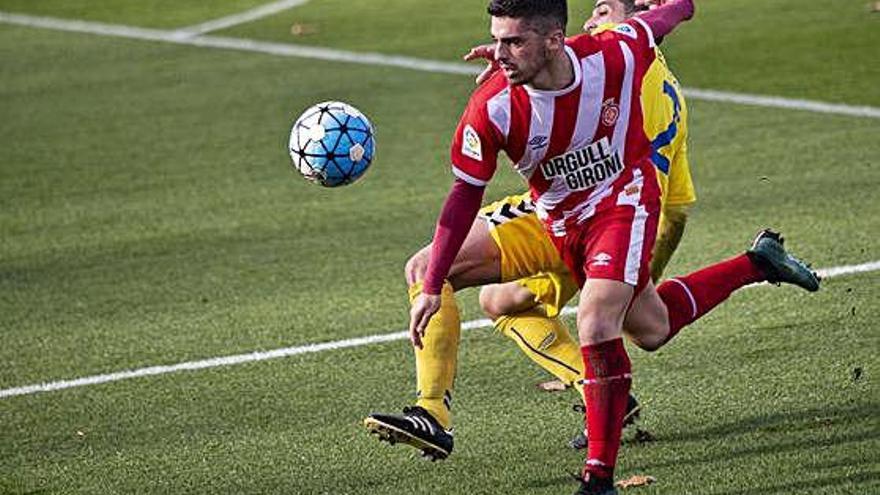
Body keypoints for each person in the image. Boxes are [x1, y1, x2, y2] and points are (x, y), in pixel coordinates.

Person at [366, 1, 819, 493]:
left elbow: (658, 23)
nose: (500, 53)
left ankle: (597, 479)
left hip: (625, 205)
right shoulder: (494, 106)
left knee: (597, 318)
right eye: (498, 40)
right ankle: (757, 262)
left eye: (513, 41)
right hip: (555, 215)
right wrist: (434, 286)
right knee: (649, 325)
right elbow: (462, 195)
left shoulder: (620, 57)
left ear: (555, 40)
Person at [474, 0, 696, 450]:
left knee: (462, 284)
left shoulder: (615, 64)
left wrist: (514, 61)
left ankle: (597, 427)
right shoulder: (656, 74)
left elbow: (566, 58)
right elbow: (678, 207)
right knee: (503, 301)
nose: (591, 24)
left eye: (602, 11)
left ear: (629, 22)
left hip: (594, 216)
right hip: (632, 223)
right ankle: (756, 263)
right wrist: (642, 272)